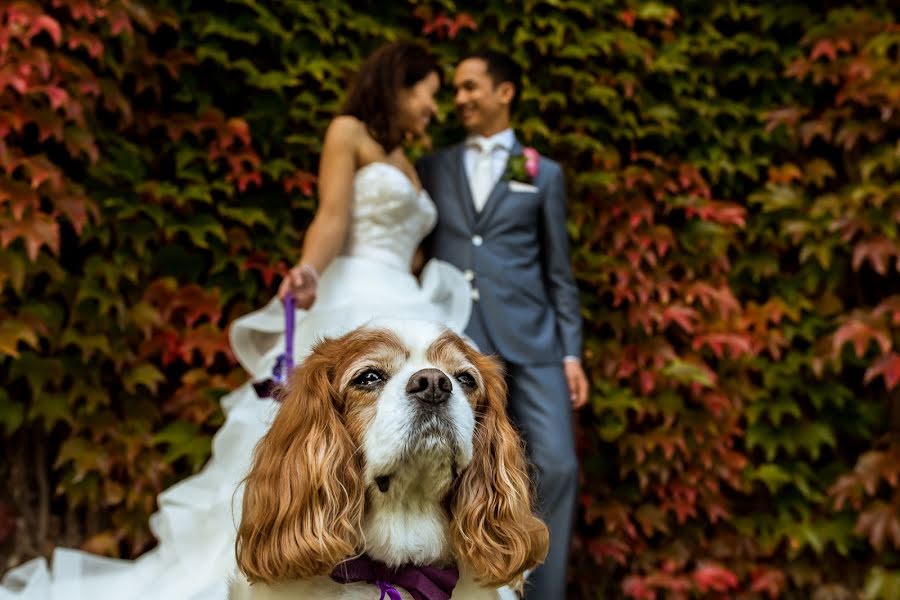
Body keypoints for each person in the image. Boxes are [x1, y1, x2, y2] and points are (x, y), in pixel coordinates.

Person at [0, 40, 472, 600]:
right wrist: (308, 272)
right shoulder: (347, 131)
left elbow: (411, 244)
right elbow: (332, 216)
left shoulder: (406, 162)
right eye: (429, 93)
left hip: (408, 296)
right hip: (356, 289)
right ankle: (277, 567)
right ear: (399, 84)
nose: (433, 108)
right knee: (306, 433)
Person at [417, 49, 588, 599]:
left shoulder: (544, 173)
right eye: (457, 89)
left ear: (505, 92)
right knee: (459, 467)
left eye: (470, 87)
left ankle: (542, 592)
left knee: (557, 464)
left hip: (534, 337)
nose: (460, 98)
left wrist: (572, 354)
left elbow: (558, 270)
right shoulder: (432, 167)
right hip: (458, 339)